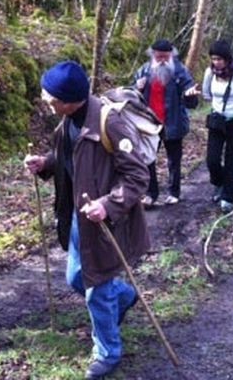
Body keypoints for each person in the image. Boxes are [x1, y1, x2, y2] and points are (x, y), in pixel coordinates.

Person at [24, 61, 150, 379]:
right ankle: (124, 296)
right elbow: (71, 157)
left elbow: (137, 175)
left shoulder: (111, 123)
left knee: (97, 289)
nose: (45, 102)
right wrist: (46, 163)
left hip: (107, 224)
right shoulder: (67, 120)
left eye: (50, 98)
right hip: (80, 219)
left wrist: (109, 205)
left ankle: (108, 351)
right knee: (76, 279)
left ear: (70, 99)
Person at [133, 39, 198, 207]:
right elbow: (133, 96)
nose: (162, 60)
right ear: (152, 55)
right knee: (148, 158)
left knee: (173, 160)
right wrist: (137, 88)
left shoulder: (179, 70)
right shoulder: (143, 71)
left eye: (165, 57)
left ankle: (173, 193)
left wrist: (190, 94)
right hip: (149, 123)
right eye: (158, 56)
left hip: (173, 122)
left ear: (171, 55)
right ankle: (151, 193)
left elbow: (189, 90)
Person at [201, 40, 233, 213]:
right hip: (217, 121)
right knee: (212, 160)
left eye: (219, 59)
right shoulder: (210, 72)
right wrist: (192, 96)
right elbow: (206, 94)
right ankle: (219, 183)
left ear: (227, 58)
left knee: (231, 160)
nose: (216, 62)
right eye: (213, 59)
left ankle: (227, 197)